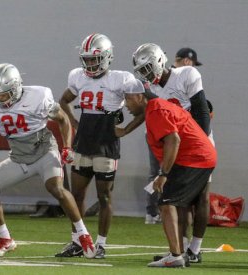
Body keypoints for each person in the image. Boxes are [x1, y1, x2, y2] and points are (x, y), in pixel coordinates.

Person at [0, 63, 96, 259]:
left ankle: (83, 235)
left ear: (17, 86)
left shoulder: (38, 97)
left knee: (57, 189)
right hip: (19, 157)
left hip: (44, 151)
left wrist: (67, 147)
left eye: (6, 93)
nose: (1, 99)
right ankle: (5, 239)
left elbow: (63, 120)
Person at [56, 33, 145, 259]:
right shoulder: (77, 77)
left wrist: (125, 130)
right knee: (76, 195)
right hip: (83, 142)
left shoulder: (121, 79)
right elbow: (63, 100)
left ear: (107, 58)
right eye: (86, 59)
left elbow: (143, 108)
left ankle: (101, 243)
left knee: (104, 197)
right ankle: (78, 240)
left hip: (106, 145)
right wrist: (73, 121)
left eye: (94, 59)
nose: (90, 64)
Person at [133, 44, 211, 263]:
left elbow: (201, 111)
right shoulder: (150, 89)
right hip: (174, 145)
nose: (147, 74)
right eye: (143, 71)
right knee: (180, 200)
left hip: (197, 142)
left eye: (149, 68)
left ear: (159, 61)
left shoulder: (187, 74)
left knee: (202, 196)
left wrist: (200, 144)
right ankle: (183, 248)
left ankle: (194, 249)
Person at [124, 91, 216, 268]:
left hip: (194, 158)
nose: (125, 104)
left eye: (127, 98)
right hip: (197, 157)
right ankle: (179, 251)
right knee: (172, 202)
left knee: (166, 203)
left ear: (140, 96)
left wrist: (163, 174)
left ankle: (176, 255)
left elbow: (173, 140)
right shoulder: (155, 107)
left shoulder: (156, 110)